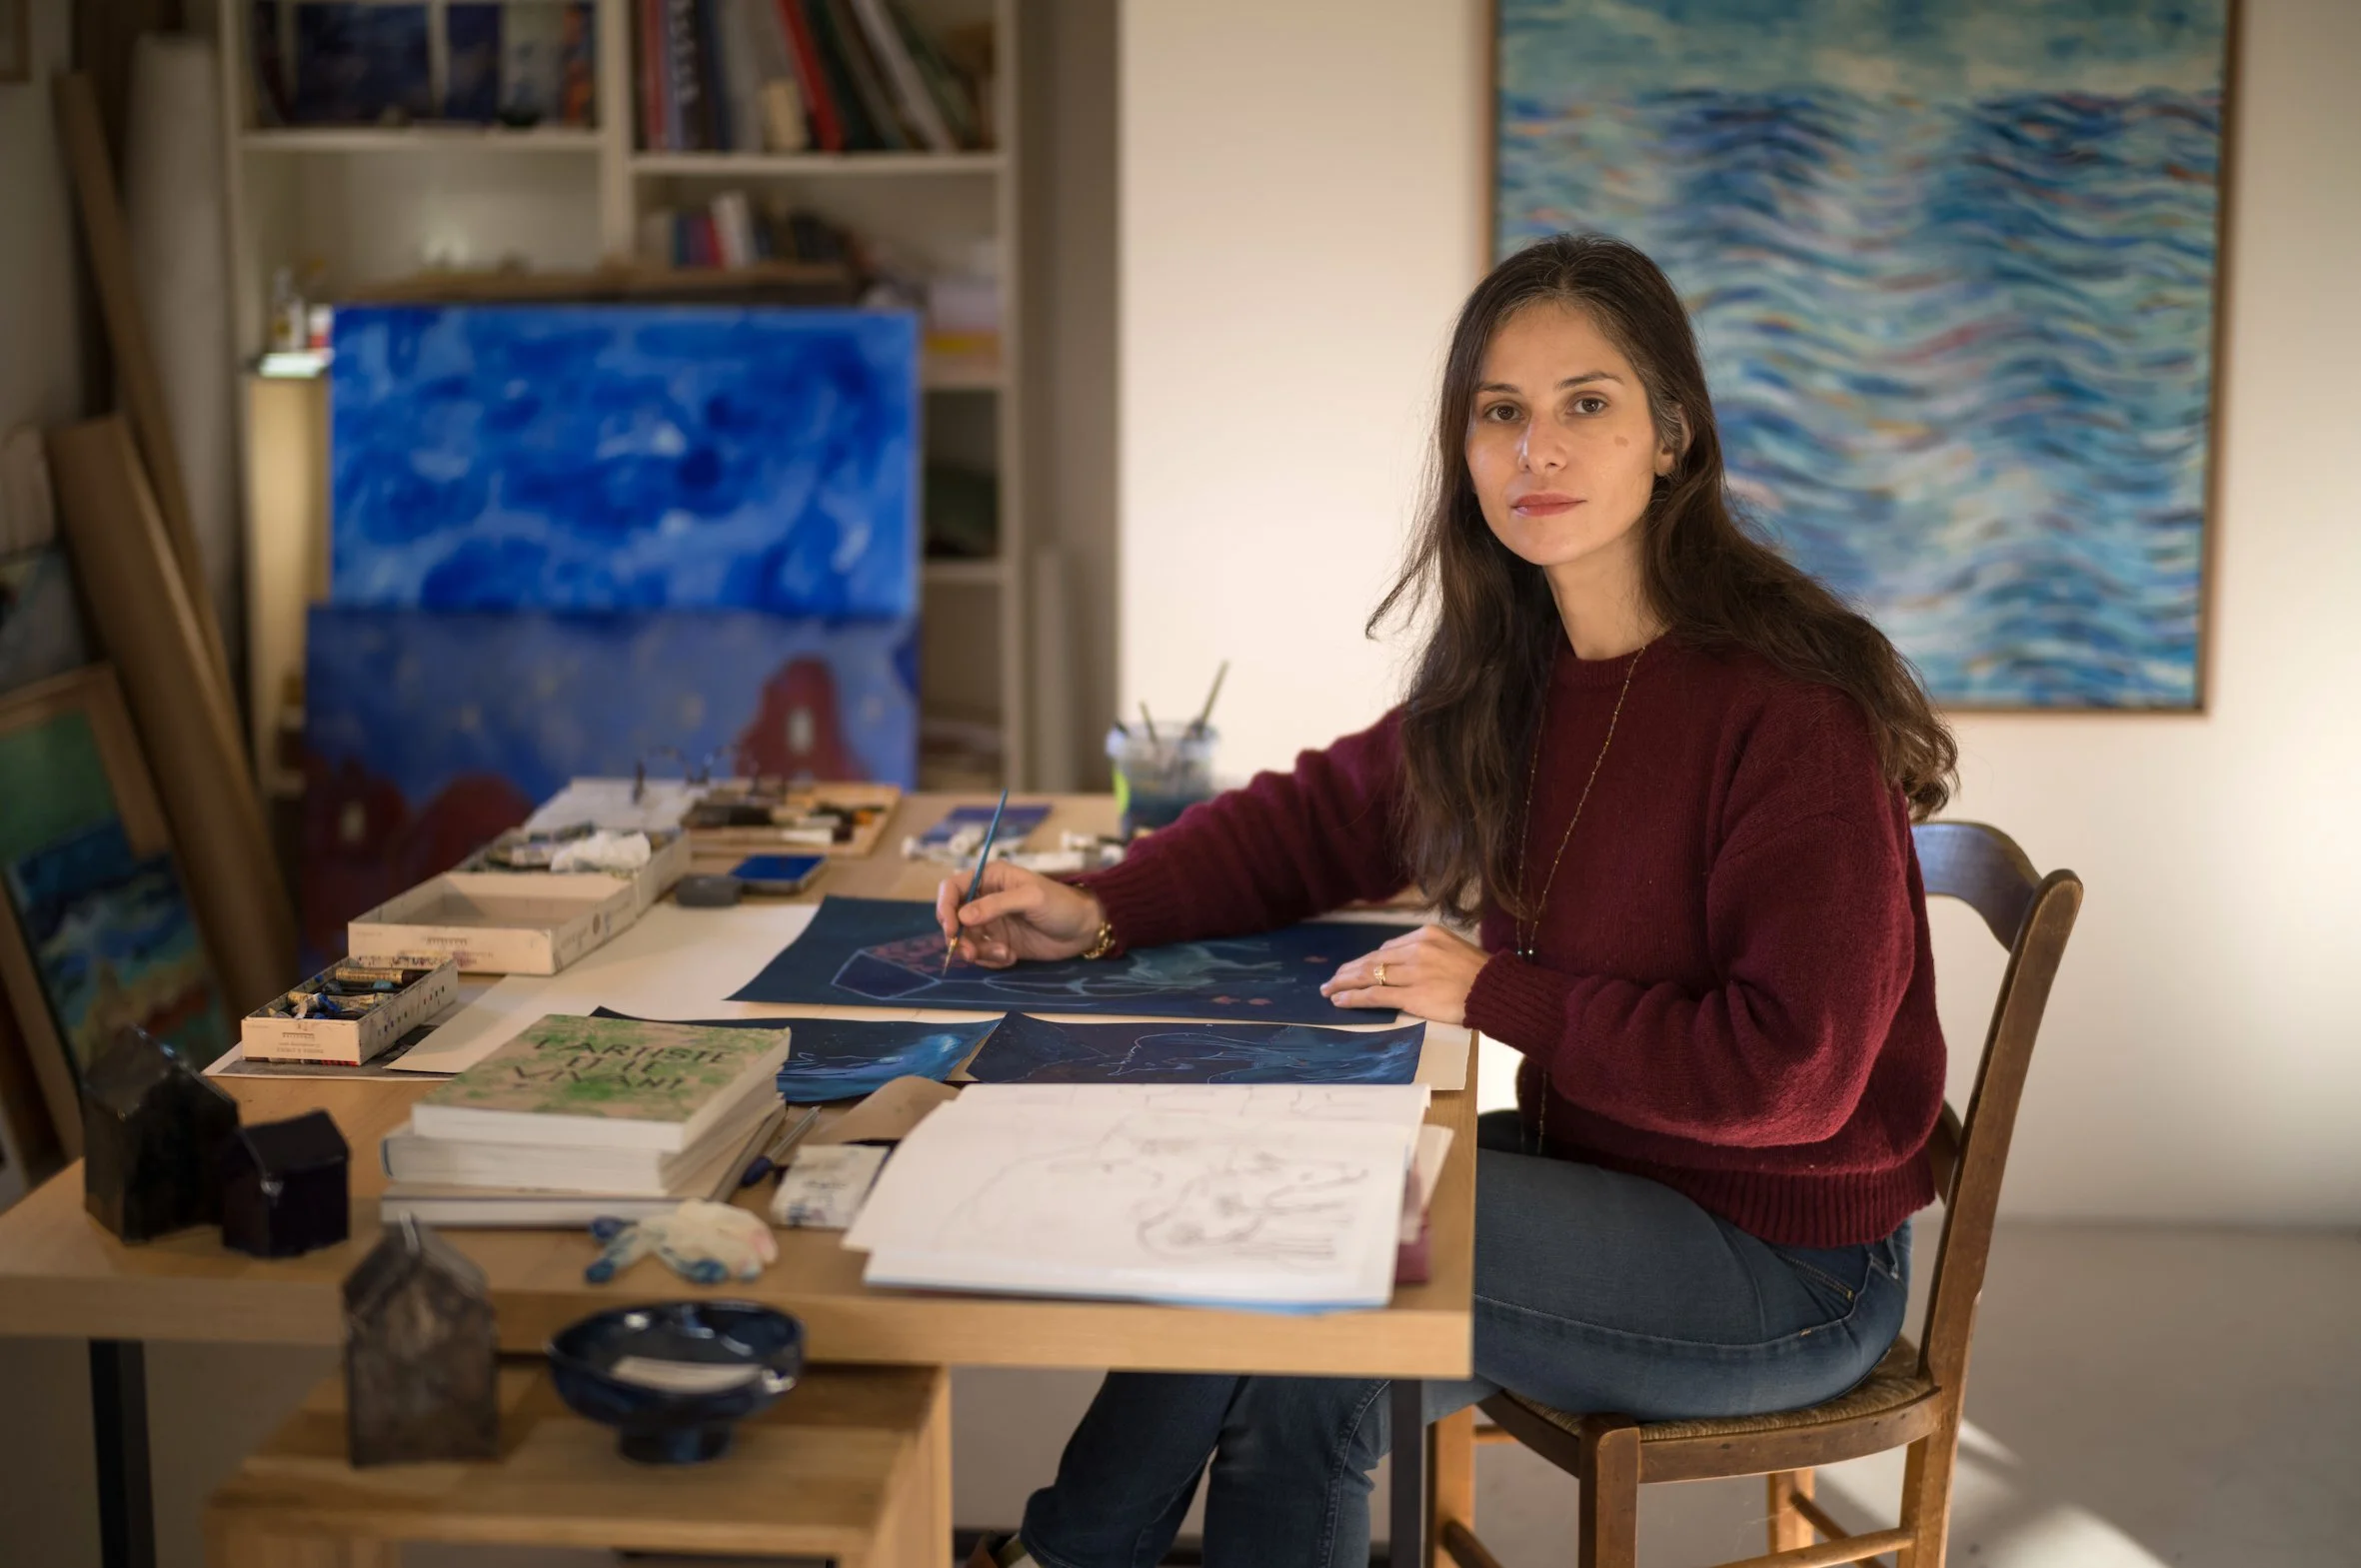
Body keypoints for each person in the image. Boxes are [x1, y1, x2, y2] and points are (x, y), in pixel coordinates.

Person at [939, 233, 1956, 1568]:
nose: (1537, 450)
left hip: (1778, 1266)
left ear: (1670, 438)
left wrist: (1499, 993)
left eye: (1584, 405)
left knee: (1279, 1235)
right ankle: (1075, 1551)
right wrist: (1100, 904)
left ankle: (1067, 1554)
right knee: (1289, 1327)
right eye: (1500, 413)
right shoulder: (1524, 668)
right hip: (1611, 1176)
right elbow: (1320, 820)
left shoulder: (1786, 709)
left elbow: (1796, 1080)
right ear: (1463, 448)